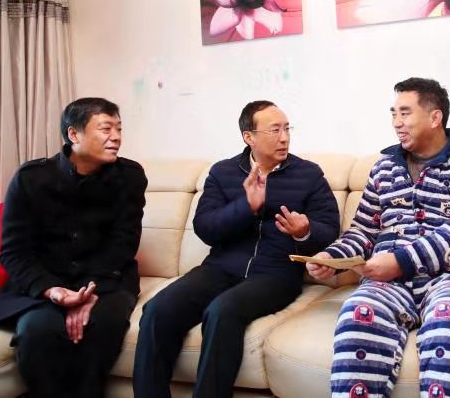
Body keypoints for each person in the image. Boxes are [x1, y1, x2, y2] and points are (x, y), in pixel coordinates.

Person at [308, 78, 450, 398]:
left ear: (435, 117)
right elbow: (364, 230)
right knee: (357, 312)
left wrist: (401, 261)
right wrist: (333, 257)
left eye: (405, 113)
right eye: (393, 113)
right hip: (389, 281)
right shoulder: (383, 168)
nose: (396, 122)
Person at [133, 100, 340, 398]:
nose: (284, 137)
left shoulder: (308, 174)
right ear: (249, 136)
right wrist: (247, 207)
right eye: (275, 130)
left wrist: (304, 231)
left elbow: (330, 229)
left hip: (275, 274)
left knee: (222, 311)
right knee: (157, 310)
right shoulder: (223, 172)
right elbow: (205, 227)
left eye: (287, 129)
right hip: (220, 268)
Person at [0, 97, 147, 398]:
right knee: (38, 330)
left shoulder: (129, 176)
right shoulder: (31, 178)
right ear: (74, 134)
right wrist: (52, 291)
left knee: (102, 325)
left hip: (107, 279)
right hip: (45, 281)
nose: (116, 137)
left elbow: (124, 242)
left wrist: (90, 291)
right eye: (106, 129)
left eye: (119, 129)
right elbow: (14, 251)